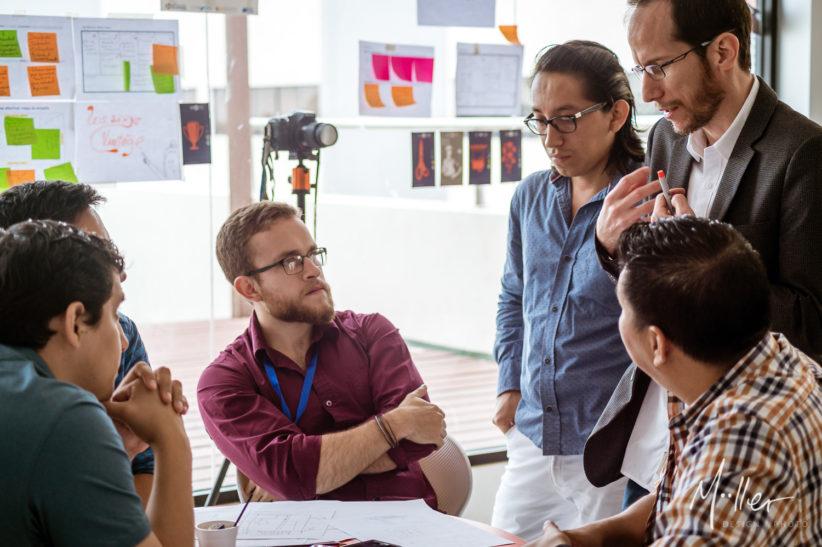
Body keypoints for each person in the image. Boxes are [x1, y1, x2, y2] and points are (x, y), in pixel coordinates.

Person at [585, 0, 822, 506]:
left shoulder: (804, 154)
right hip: (654, 442)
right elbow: (651, 284)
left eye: (659, 67)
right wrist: (610, 245)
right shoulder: (666, 138)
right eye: (640, 69)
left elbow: (812, 322)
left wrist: (704, 260)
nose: (647, 93)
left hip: (743, 448)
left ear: (723, 51)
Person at [527, 216, 822, 546]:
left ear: (657, 343)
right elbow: (685, 497)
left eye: (623, 308)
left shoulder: (742, 442)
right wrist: (578, 537)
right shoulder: (769, 356)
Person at [491, 40, 645, 540]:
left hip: (610, 444)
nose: (551, 138)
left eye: (566, 118)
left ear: (616, 114)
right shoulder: (530, 195)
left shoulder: (645, 200)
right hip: (534, 433)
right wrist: (509, 383)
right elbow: (514, 295)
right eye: (539, 120)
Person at [198, 201, 447, 508]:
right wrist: (394, 425)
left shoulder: (372, 333)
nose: (314, 270)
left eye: (313, 254)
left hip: (407, 525)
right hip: (305, 533)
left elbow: (420, 438)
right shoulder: (222, 383)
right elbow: (290, 476)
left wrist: (305, 475)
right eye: (291, 262)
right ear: (250, 289)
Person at [0, 220, 193, 546]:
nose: (124, 342)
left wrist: (116, 447)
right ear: (75, 322)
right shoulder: (65, 418)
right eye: (115, 314)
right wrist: (172, 439)